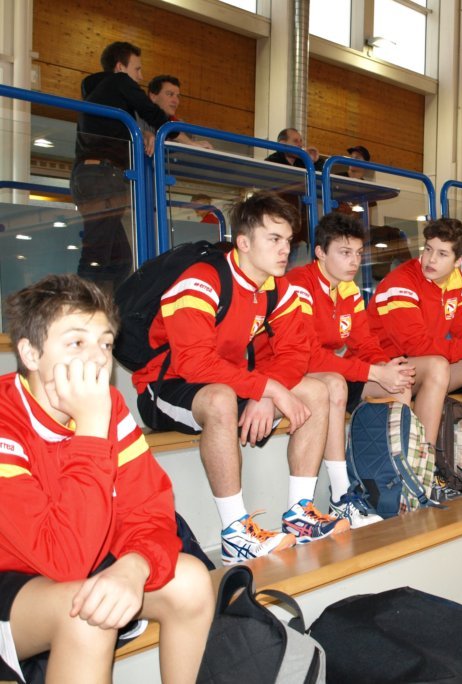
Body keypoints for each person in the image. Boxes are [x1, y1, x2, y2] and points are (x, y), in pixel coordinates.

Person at [0, 274, 212, 683]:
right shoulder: (15, 420)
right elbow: (65, 561)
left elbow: (150, 511)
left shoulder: (107, 407)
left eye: (105, 343)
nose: (98, 358)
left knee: (191, 580)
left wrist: (134, 565)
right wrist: (92, 430)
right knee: (87, 614)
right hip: (14, 582)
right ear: (30, 352)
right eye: (76, 342)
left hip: (74, 562)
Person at [131, 191, 349, 564]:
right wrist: (266, 387)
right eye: (274, 239)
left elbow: (295, 353)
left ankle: (299, 513)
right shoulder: (200, 281)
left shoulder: (277, 288)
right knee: (220, 398)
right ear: (244, 243)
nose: (285, 249)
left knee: (315, 390)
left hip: (230, 383)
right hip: (166, 386)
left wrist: (265, 394)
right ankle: (234, 533)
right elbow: (194, 364)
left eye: (287, 240)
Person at [281, 213, 415, 526]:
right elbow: (308, 357)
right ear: (320, 252)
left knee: (399, 385)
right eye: (344, 252)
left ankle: (390, 482)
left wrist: (384, 367)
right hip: (293, 372)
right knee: (335, 384)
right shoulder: (299, 285)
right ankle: (342, 496)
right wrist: (374, 373)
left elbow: (364, 343)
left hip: (330, 371)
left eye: (357, 253)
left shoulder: (348, 288)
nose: (354, 261)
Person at [367, 218, 462, 452]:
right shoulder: (400, 283)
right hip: (379, 372)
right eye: (428, 249)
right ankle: (425, 461)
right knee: (437, 365)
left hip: (415, 371)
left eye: (442, 254)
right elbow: (416, 347)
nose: (431, 259)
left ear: (458, 261)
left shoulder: (457, 281)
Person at [72, 41, 170, 293]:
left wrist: (142, 134)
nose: (140, 76)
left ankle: (104, 308)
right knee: (97, 254)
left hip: (90, 176)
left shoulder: (98, 96)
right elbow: (154, 114)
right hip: (103, 177)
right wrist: (188, 140)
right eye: (137, 69)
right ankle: (78, 309)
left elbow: (112, 133)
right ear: (120, 68)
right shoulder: (119, 82)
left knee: (119, 258)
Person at [144, 74, 214, 151]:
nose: (176, 101)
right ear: (153, 97)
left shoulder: (182, 126)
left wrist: (198, 147)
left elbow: (193, 147)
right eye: (170, 94)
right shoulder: (138, 118)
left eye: (178, 96)